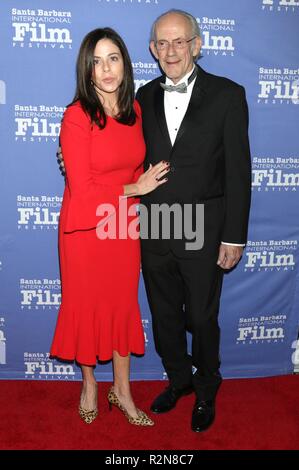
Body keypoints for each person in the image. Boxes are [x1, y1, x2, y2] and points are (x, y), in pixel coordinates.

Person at [136, 9, 251, 432]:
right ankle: (179, 380)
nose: (171, 50)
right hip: (156, 227)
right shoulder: (142, 96)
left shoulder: (227, 95)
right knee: (164, 314)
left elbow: (239, 171)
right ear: (152, 49)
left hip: (205, 227)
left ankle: (206, 389)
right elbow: (118, 154)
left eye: (180, 41)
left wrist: (234, 236)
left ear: (197, 45)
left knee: (202, 318)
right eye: (162, 43)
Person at [50, 27, 170, 426]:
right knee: (86, 309)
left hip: (121, 227)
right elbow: (82, 190)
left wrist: (135, 190)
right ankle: (89, 385)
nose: (105, 69)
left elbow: (136, 164)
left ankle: (122, 390)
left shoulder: (136, 112)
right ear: (87, 70)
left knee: (121, 308)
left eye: (113, 58)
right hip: (85, 231)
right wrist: (135, 186)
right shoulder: (76, 116)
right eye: (97, 61)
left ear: (125, 63)